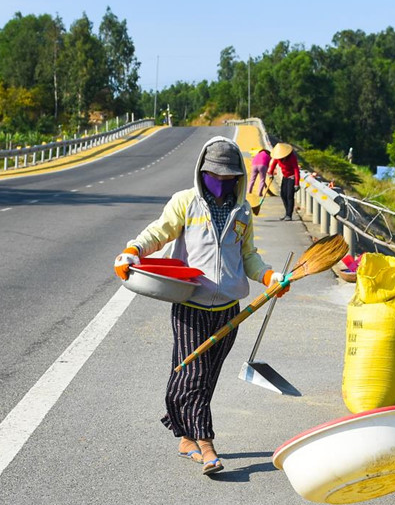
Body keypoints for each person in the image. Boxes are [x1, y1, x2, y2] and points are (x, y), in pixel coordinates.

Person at [114, 137, 288, 476]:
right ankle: (206, 445)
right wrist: (133, 250)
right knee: (191, 374)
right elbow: (158, 232)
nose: (222, 183)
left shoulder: (242, 211)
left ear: (238, 177)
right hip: (190, 304)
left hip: (228, 309)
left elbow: (248, 255)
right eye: (215, 176)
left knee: (203, 378)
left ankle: (182, 433)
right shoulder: (185, 203)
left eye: (229, 178)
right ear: (203, 171)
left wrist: (268, 276)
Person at [268, 142, 300, 220]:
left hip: (292, 178)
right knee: (283, 195)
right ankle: (287, 213)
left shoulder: (292, 157)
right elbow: (272, 165)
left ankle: (289, 215)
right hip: (285, 177)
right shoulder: (278, 157)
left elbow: (296, 170)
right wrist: (270, 173)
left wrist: (296, 183)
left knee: (289, 196)